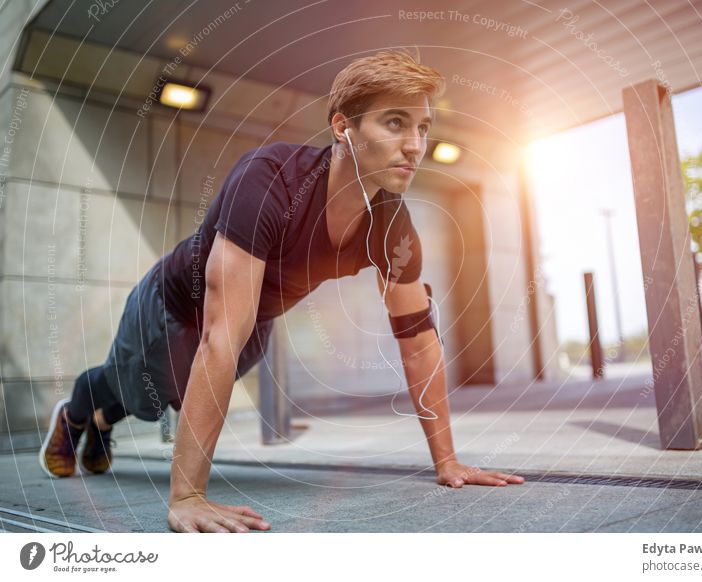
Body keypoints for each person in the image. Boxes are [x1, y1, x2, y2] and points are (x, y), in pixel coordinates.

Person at [39, 49, 524, 533]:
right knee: (139, 387)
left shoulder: (391, 225)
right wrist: (188, 495)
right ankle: (81, 412)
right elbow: (218, 338)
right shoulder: (268, 180)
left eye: (422, 127)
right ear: (342, 128)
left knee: (170, 397)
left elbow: (418, 344)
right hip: (172, 304)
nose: (416, 145)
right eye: (395, 122)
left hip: (254, 321)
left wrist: (448, 463)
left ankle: (102, 425)